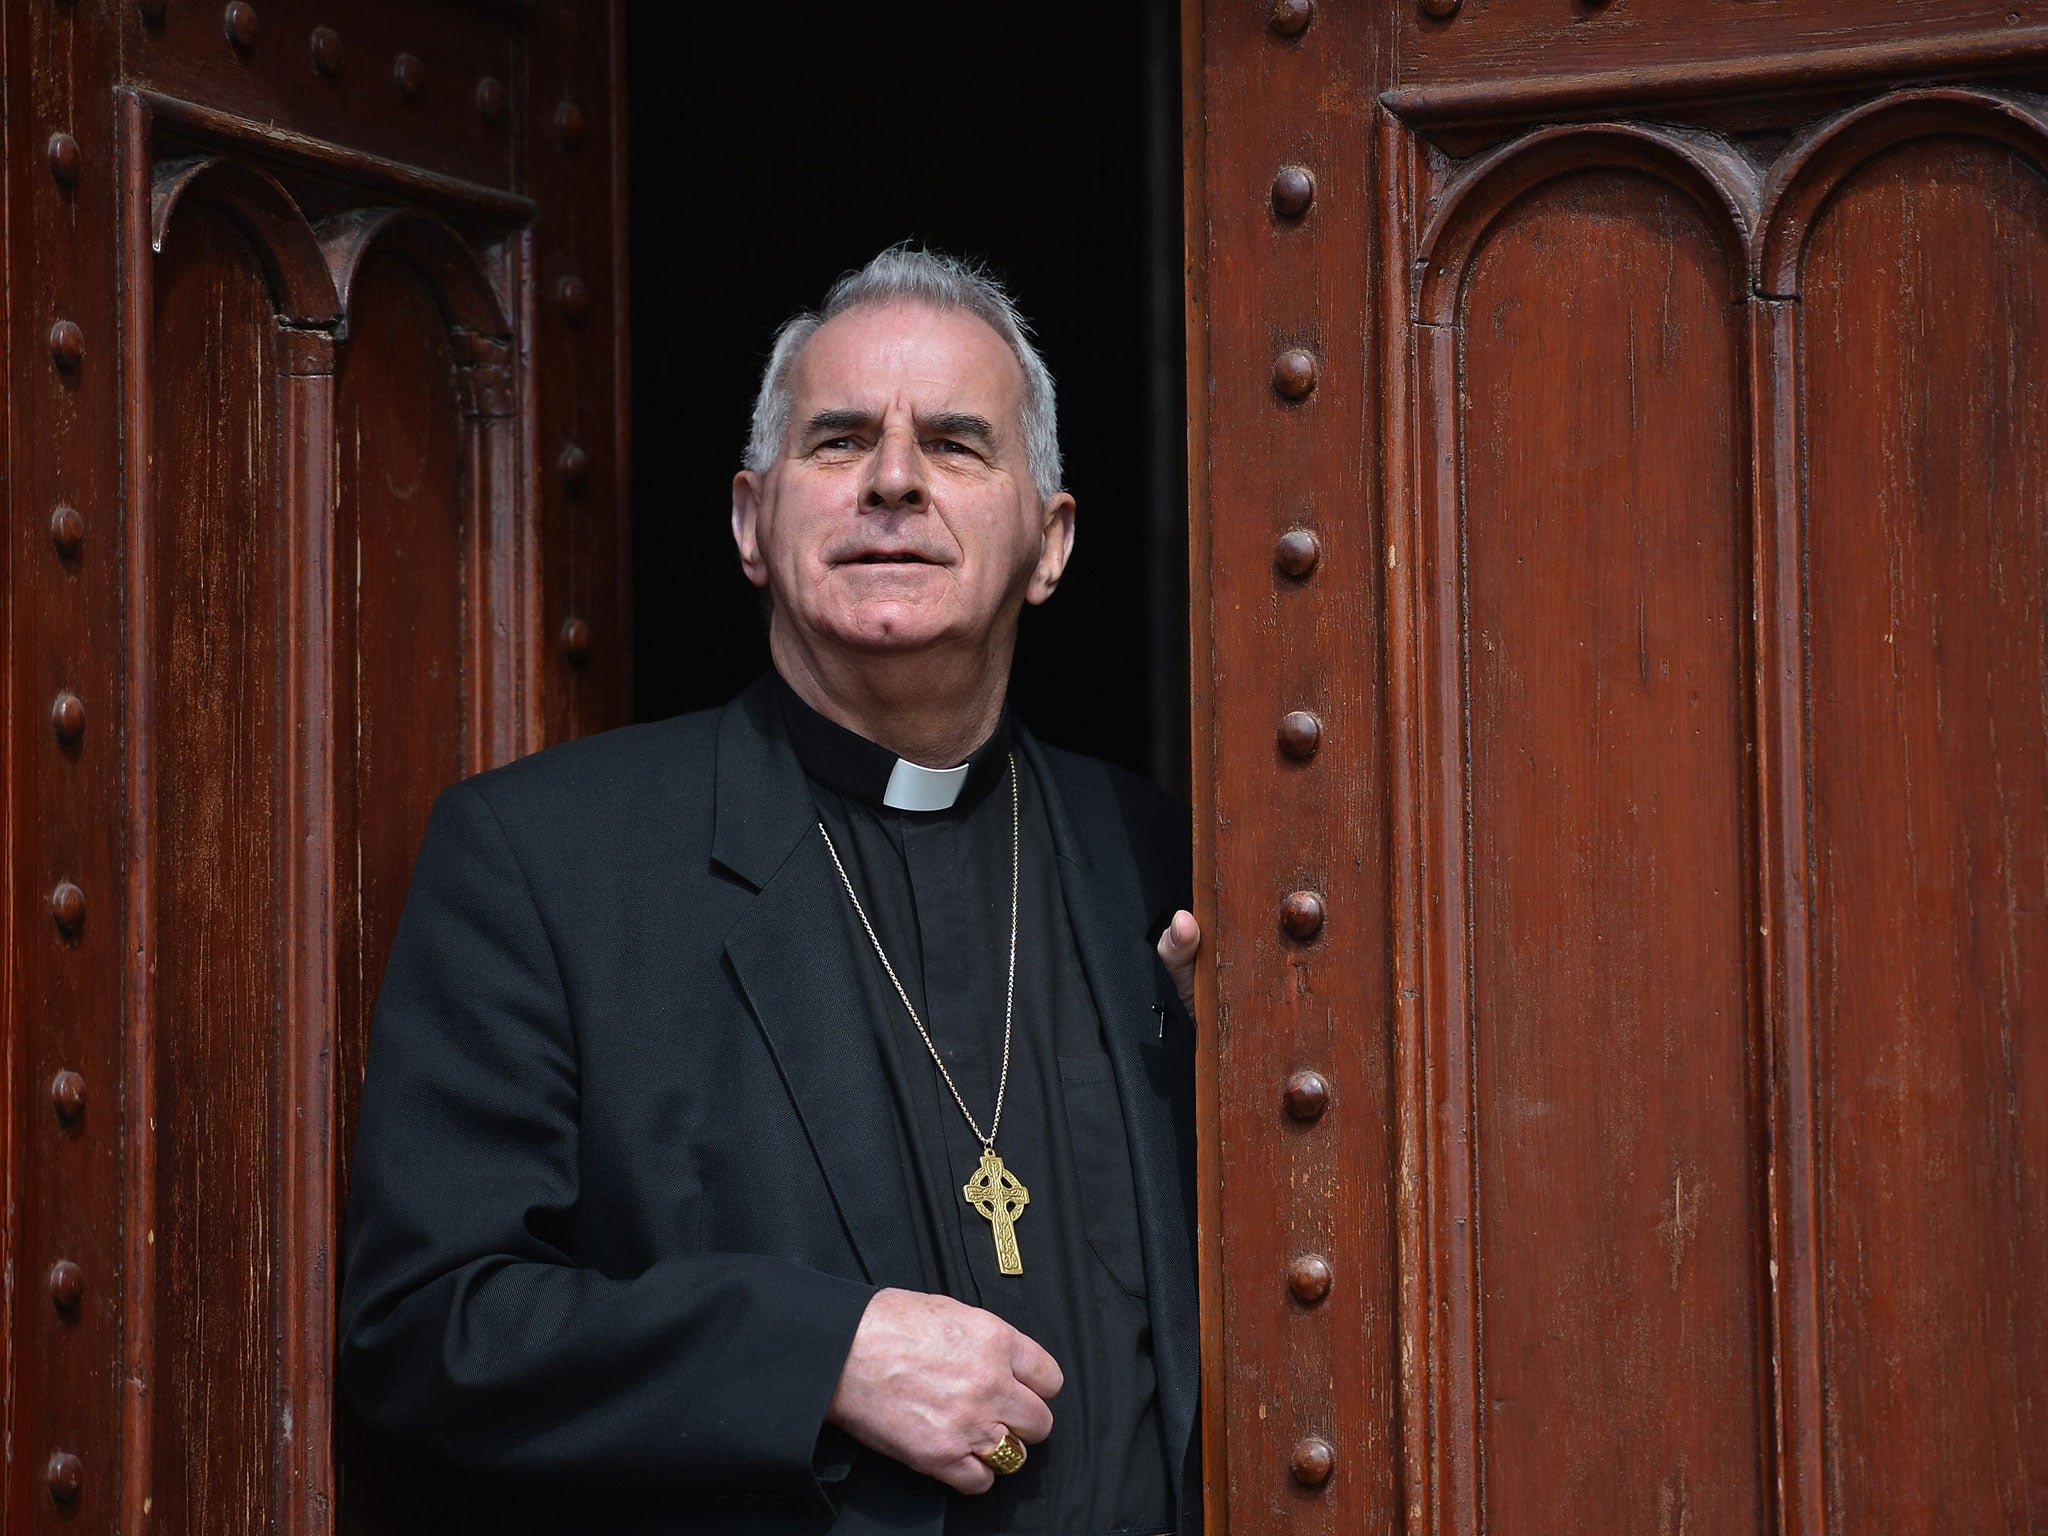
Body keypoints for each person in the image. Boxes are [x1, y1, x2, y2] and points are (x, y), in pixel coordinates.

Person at [339, 246, 1203, 1535]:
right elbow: (427, 1325)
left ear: (1052, 540)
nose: (895, 481)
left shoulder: (1152, 852)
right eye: (840, 440)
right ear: (752, 522)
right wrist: (820, 1358)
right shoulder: (544, 858)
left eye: (958, 445)